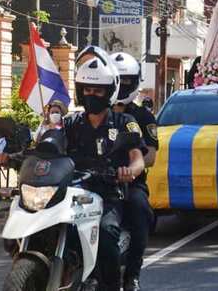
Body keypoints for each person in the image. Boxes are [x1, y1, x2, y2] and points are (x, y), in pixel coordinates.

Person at [66, 47, 146, 291]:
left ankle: (114, 284)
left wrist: (130, 171)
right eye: (87, 90)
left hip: (108, 192)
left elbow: (138, 158)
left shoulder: (125, 122)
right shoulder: (70, 123)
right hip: (73, 193)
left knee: (106, 233)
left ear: (109, 92)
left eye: (98, 90)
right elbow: (48, 148)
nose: (92, 95)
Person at [110, 52, 157, 291]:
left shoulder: (142, 116)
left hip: (129, 181)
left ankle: (132, 275)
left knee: (140, 209)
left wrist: (130, 168)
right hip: (93, 178)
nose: (121, 85)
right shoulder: (94, 112)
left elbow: (150, 155)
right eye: (117, 79)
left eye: (126, 80)